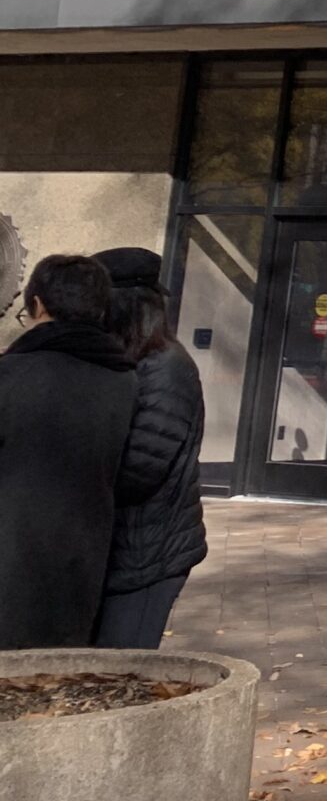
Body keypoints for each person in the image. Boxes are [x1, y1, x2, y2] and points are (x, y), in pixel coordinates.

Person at [0, 254, 139, 651]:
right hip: (84, 557)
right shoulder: (122, 378)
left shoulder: (12, 375)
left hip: (11, 556)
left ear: (38, 305)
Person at [93, 248, 208, 650]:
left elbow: (141, 468)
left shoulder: (166, 367)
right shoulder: (124, 361)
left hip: (148, 556)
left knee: (119, 668)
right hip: (118, 552)